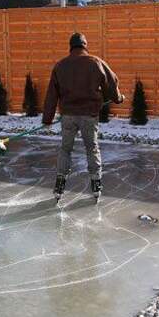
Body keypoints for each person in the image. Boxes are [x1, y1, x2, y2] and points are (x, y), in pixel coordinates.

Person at [42, 33, 124, 201]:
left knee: (65, 149)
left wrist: (47, 119)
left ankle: (59, 187)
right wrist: (118, 98)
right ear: (85, 45)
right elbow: (112, 81)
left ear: (70, 46)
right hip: (89, 116)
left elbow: (52, 94)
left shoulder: (60, 66)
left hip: (68, 117)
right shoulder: (95, 62)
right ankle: (96, 186)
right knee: (92, 149)